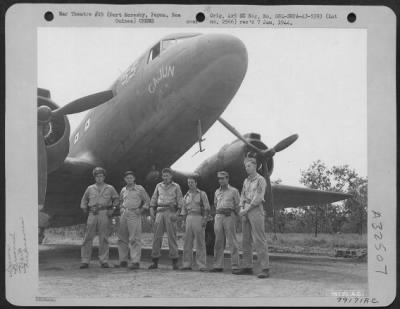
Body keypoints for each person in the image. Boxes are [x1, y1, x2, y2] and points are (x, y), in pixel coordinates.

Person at [234, 156, 270, 278]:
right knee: (246, 240)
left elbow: (258, 197)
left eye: (249, 166)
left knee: (259, 239)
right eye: (246, 167)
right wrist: (241, 208)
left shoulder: (261, 180)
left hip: (255, 210)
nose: (247, 168)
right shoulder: (246, 181)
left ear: (255, 166)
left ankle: (265, 268)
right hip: (246, 210)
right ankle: (247, 266)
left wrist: (246, 210)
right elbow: (242, 195)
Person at [80, 167, 119, 269]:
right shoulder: (90, 188)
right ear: (95, 177)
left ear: (104, 177)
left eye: (101, 176)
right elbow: (84, 199)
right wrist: (85, 209)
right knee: (88, 237)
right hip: (92, 213)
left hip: (104, 213)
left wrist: (113, 209)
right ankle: (85, 260)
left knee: (104, 237)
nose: (99, 178)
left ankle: (104, 260)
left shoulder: (110, 188)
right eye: (97, 176)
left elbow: (116, 199)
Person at [148, 168, 183, 270]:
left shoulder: (176, 186)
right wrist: (151, 209)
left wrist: (177, 214)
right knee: (157, 237)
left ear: (171, 176)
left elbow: (180, 201)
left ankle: (174, 262)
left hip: (170, 211)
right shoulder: (158, 186)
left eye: (167, 175)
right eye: (164, 176)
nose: (165, 178)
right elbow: (154, 199)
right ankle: (155, 261)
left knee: (171, 237)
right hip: (159, 211)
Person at [116, 170, 150, 270]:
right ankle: (123, 261)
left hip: (134, 213)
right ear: (125, 179)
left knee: (134, 238)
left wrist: (142, 209)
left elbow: (147, 200)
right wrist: (121, 208)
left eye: (131, 178)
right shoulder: (123, 189)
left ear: (134, 179)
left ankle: (135, 261)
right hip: (124, 213)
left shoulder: (139, 189)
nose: (129, 179)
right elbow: (121, 200)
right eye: (127, 178)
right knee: (122, 238)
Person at [209, 171, 241, 274]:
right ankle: (218, 265)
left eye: (223, 178)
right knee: (218, 241)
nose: (221, 180)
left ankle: (235, 266)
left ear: (228, 179)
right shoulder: (216, 192)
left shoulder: (234, 191)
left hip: (229, 216)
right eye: (219, 178)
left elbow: (237, 205)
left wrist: (238, 217)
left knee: (232, 241)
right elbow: (215, 204)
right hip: (218, 216)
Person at [180, 176, 210, 272]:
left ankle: (201, 265)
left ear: (196, 183)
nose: (190, 184)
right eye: (189, 182)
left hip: (198, 217)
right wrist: (183, 221)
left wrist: (205, 219)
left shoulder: (202, 194)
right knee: (187, 242)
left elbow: (206, 208)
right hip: (189, 217)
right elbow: (183, 210)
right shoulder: (186, 196)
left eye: (192, 182)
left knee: (200, 242)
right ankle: (186, 264)